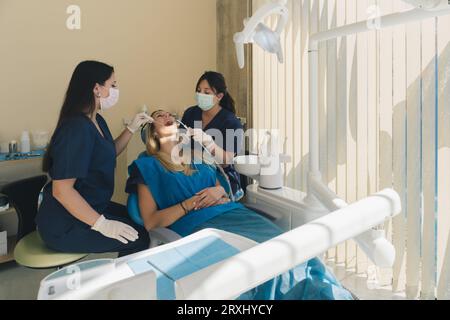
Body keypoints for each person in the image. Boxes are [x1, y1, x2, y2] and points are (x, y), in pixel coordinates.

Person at [125, 110, 354, 300]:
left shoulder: (196, 157)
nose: (168, 115)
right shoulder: (147, 166)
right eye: (159, 115)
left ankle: (329, 292)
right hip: (201, 227)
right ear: (152, 131)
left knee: (293, 249)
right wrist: (189, 204)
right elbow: (151, 221)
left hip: (234, 214)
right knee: (265, 266)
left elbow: (223, 193)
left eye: (170, 113)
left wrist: (220, 190)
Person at [36, 61, 151, 257]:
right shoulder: (76, 128)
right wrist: (102, 224)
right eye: (112, 85)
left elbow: (107, 153)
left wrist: (131, 128)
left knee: (141, 222)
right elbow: (62, 191)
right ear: (97, 88)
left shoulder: (96, 120)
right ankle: (125, 284)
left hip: (91, 203)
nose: (115, 90)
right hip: (64, 223)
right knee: (139, 238)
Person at [181, 71, 245, 200]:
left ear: (219, 96)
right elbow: (179, 147)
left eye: (207, 92)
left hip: (221, 177)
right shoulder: (191, 113)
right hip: (192, 171)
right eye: (198, 91)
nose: (200, 95)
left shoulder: (231, 122)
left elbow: (226, 161)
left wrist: (209, 143)